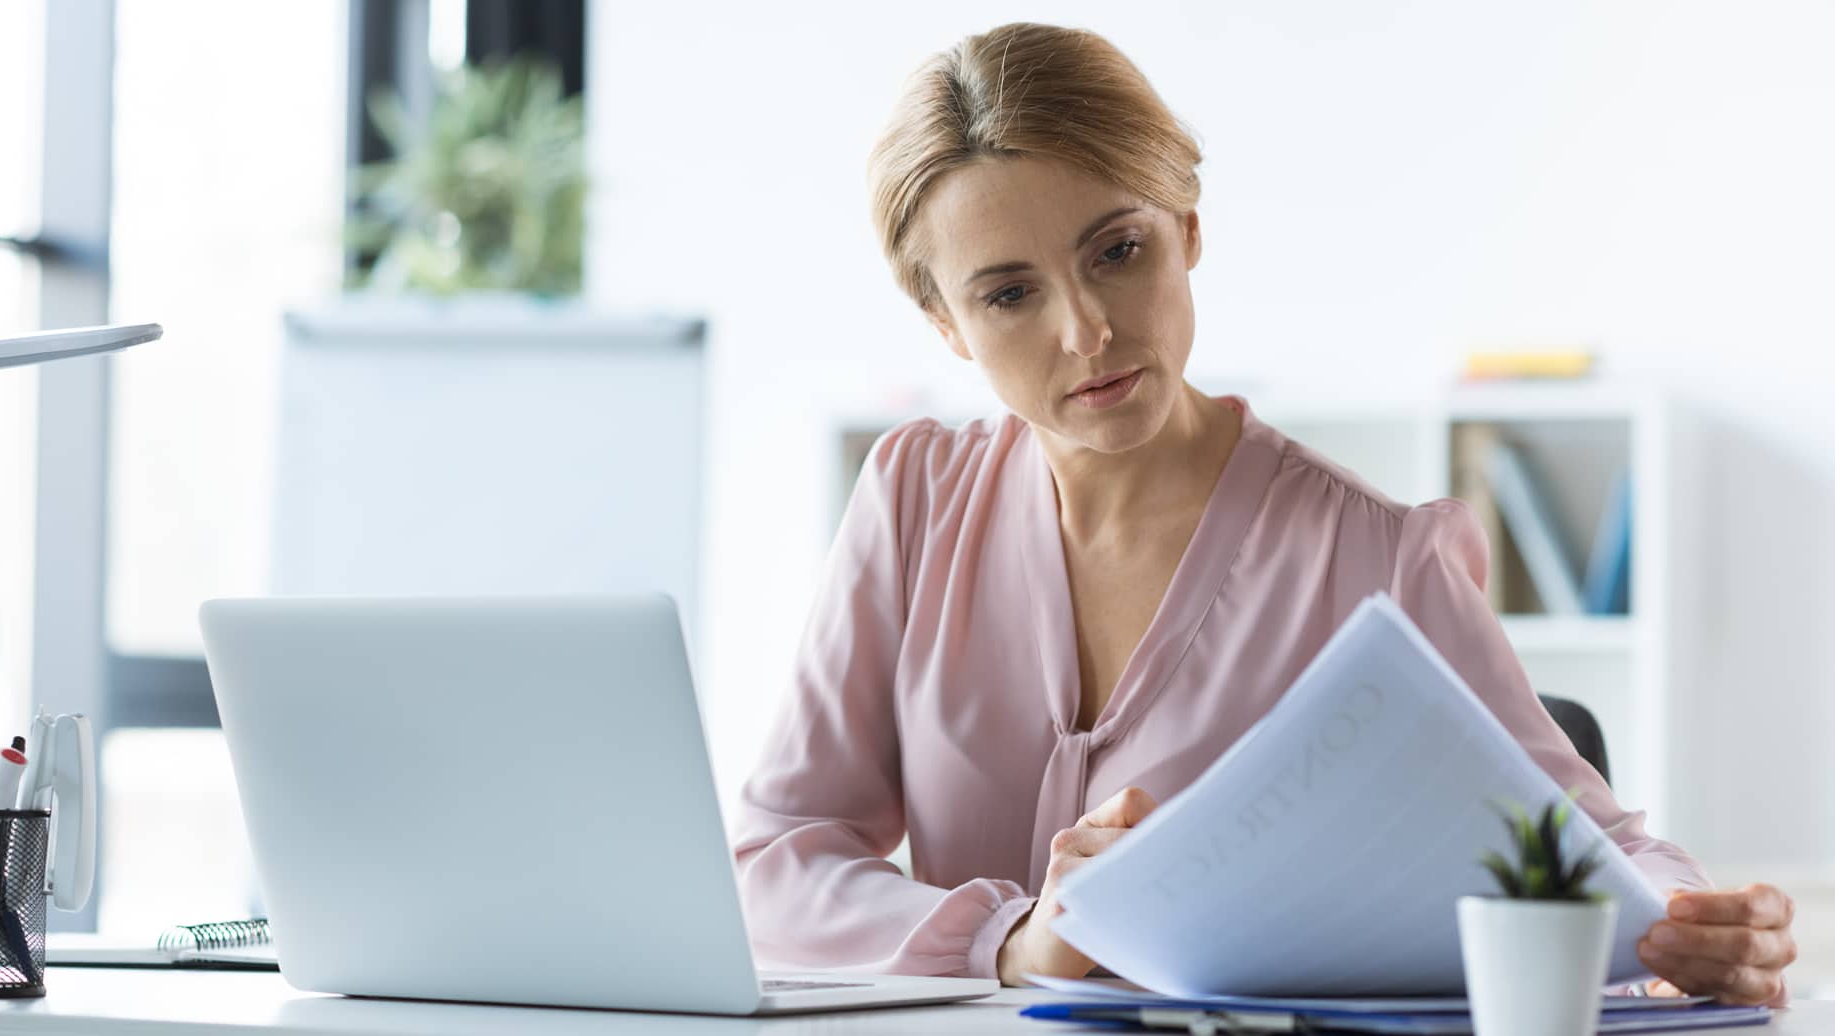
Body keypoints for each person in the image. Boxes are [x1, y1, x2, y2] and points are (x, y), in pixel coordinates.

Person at [727, 22, 1797, 1005]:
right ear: (946, 324)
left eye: (1117, 251)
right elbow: (774, 860)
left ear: (1187, 229)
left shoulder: (1377, 557)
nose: (1085, 332)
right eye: (1009, 294)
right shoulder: (912, 500)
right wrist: (1010, 939)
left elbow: (1598, 850)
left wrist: (1694, 925)